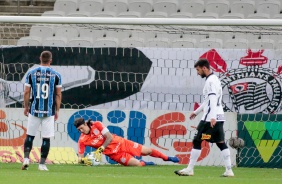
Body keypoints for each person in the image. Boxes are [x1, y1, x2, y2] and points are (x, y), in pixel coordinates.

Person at [174, 58, 234, 177]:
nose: (197, 72)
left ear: (204, 68)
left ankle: (190, 169)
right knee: (220, 142)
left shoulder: (210, 81)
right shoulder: (215, 79)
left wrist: (212, 117)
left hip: (209, 119)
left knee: (197, 140)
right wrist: (196, 112)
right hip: (220, 117)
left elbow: (212, 99)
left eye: (198, 70)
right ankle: (229, 170)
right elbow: (207, 100)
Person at [74, 117, 180, 166]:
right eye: (79, 130)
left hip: (121, 143)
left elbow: (109, 137)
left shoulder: (96, 124)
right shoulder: (82, 140)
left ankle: (167, 158)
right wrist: (83, 161)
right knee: (138, 165)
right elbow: (80, 157)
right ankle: (146, 164)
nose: (81, 131)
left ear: (85, 124)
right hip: (115, 154)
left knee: (147, 151)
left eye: (82, 128)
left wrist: (101, 148)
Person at [22, 51, 62, 171]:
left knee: (30, 135)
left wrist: (26, 106)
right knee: (46, 138)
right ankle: (42, 164)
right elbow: (58, 95)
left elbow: (26, 92)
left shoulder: (31, 73)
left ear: (40, 58)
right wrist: (57, 110)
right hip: (49, 111)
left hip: (34, 109)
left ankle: (26, 159)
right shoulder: (56, 75)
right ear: (51, 60)